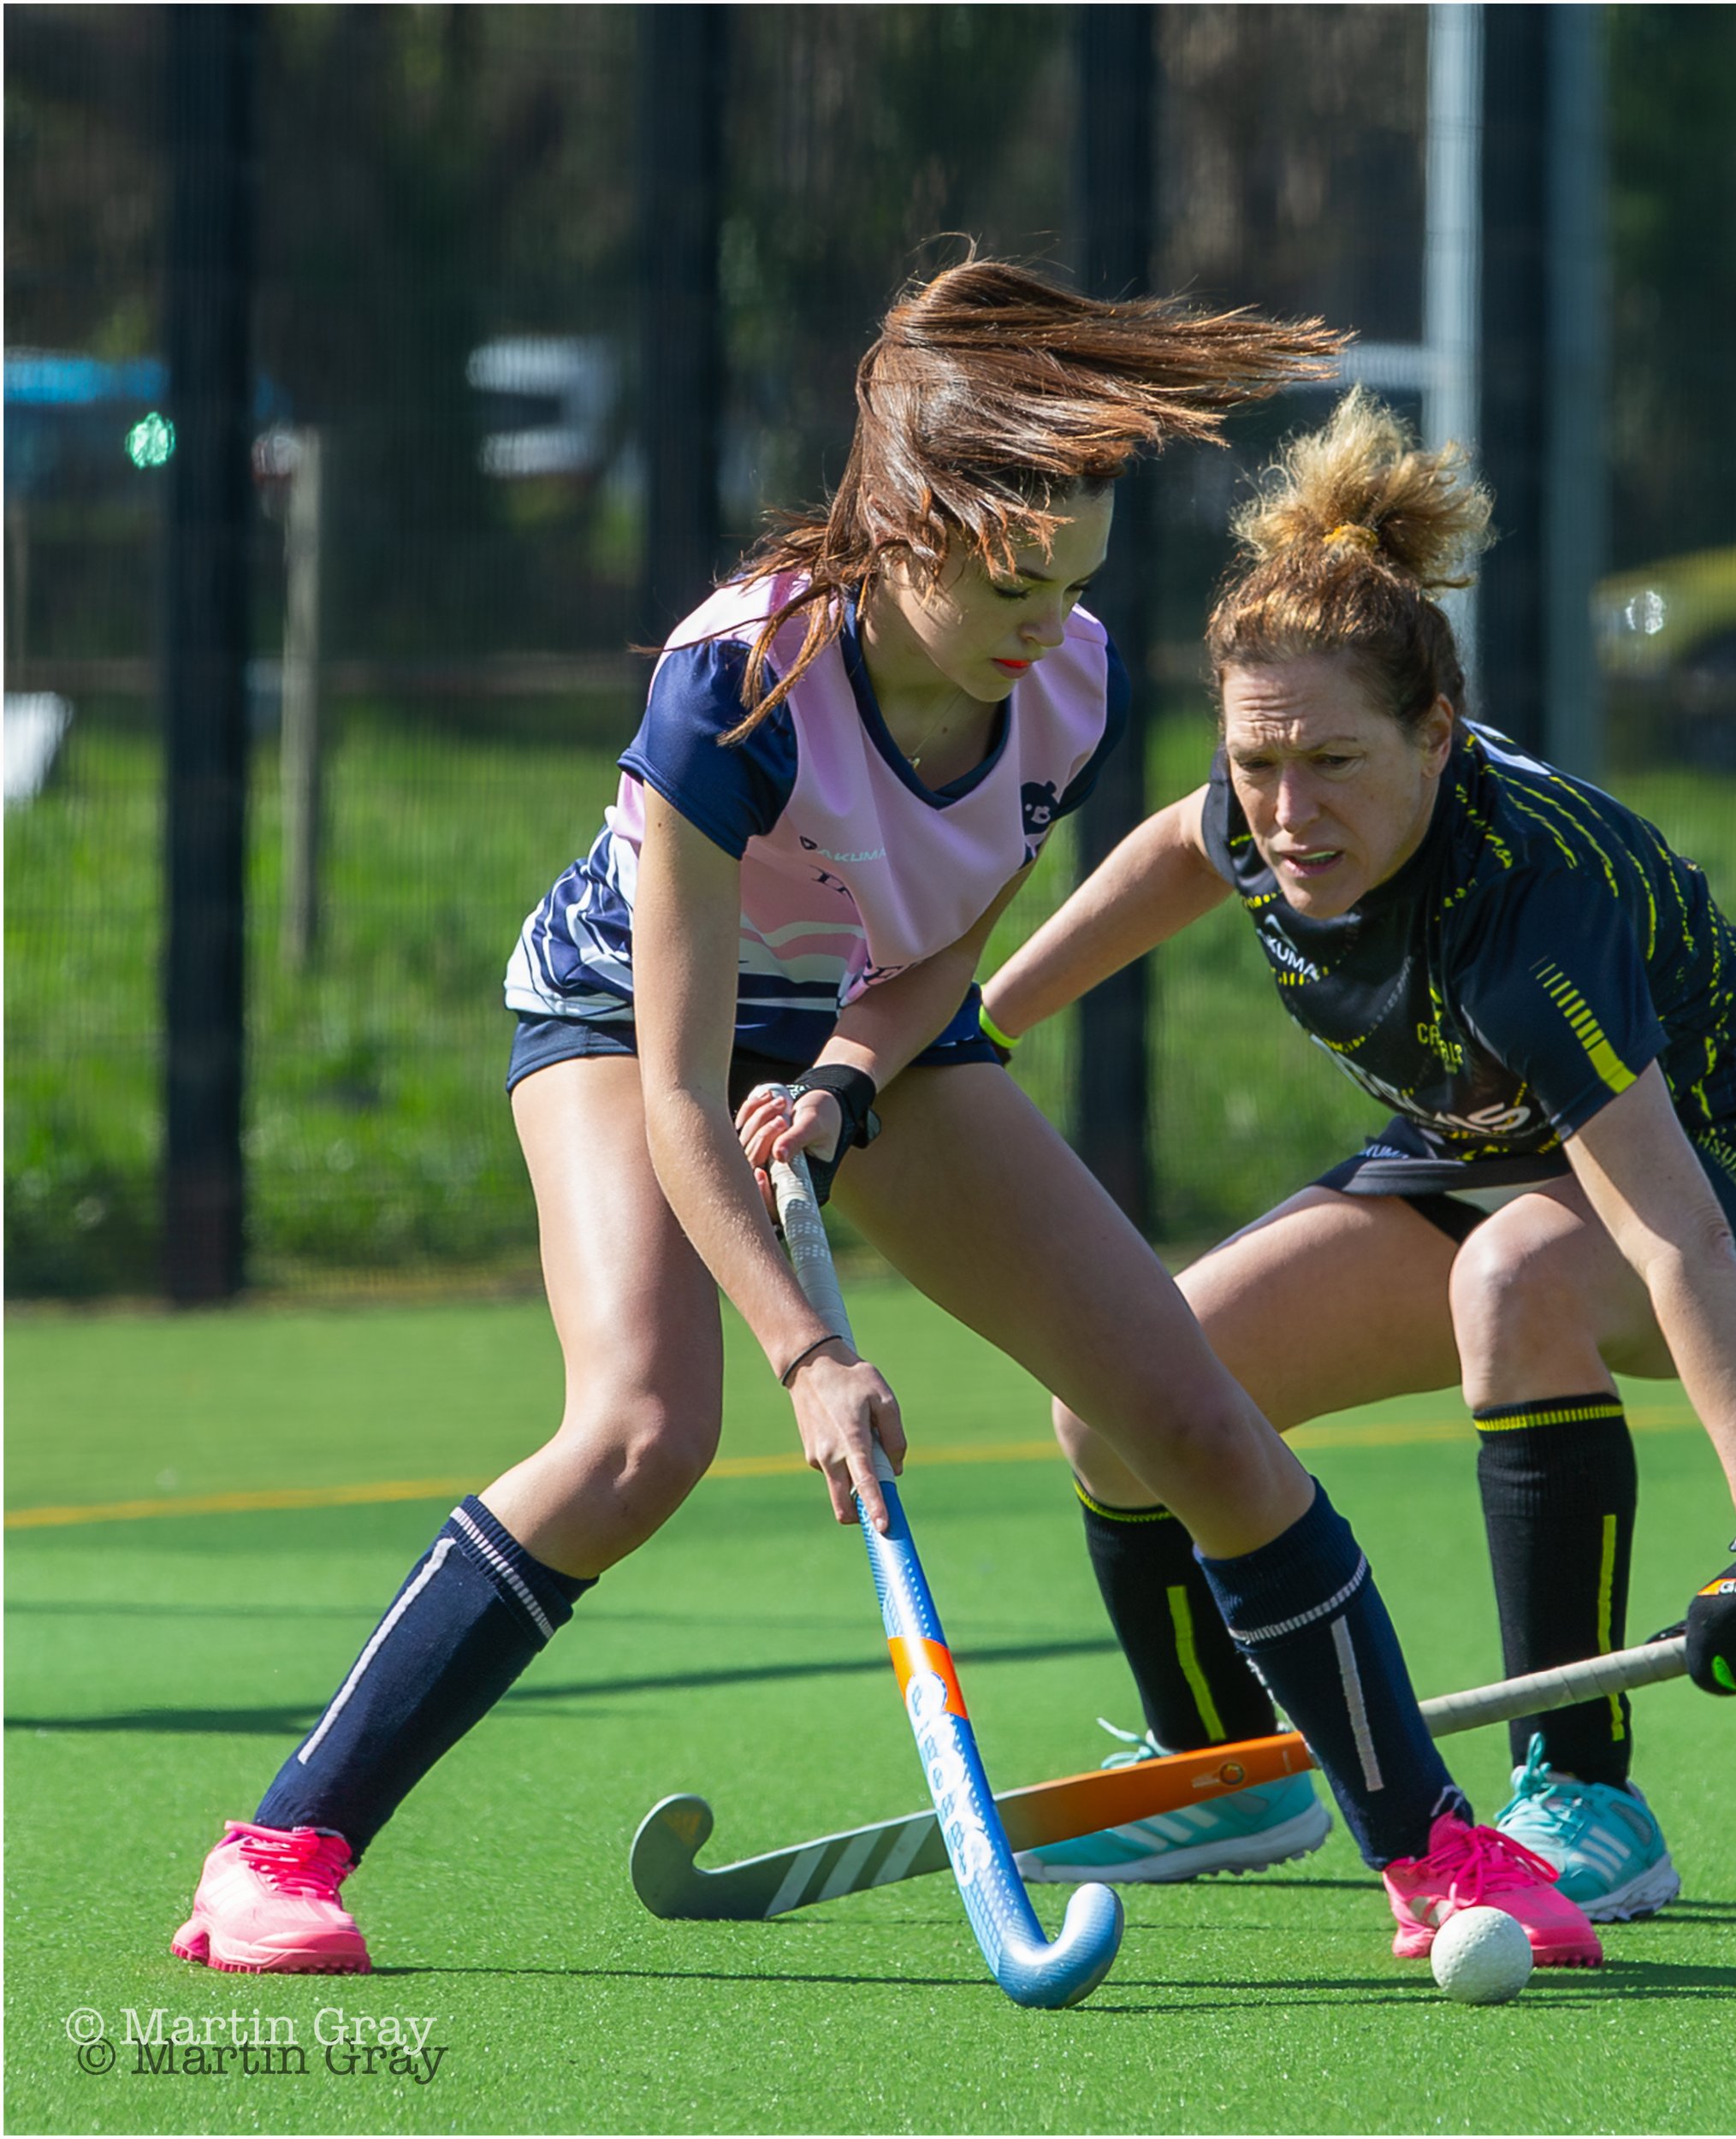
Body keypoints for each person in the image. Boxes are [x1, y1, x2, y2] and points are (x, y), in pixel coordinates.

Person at [171, 271, 1604, 1979]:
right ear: (904, 525)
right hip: (627, 1019)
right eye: (1008, 579)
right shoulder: (740, 683)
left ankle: (1430, 1849)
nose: (1042, 618)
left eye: (1070, 577)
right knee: (641, 1428)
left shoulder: (1065, 687)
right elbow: (677, 1082)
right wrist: (807, 1354)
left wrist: (851, 1076)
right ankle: (277, 1848)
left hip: (864, 1029)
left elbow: (936, 956)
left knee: (1186, 1414)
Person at [981, 390, 1736, 1923]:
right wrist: (966, 1030)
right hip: (1486, 1144)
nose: (1288, 814)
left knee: (1522, 1275)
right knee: (1119, 1395)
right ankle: (1229, 1771)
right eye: (1259, 763)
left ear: (1436, 734)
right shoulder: (1263, 800)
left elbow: (1671, 1234)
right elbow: (1183, 849)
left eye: (1331, 763)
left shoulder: (1530, 900)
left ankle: (1584, 1790)